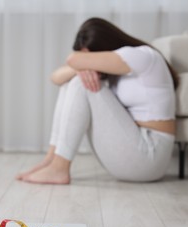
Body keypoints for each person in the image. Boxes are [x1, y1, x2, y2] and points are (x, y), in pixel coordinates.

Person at [16, 17, 178, 184]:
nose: (89, 62)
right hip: (132, 150)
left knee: (80, 83)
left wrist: (80, 66)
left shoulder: (142, 56)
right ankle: (51, 160)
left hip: (151, 154)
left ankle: (59, 168)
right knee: (70, 83)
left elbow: (72, 60)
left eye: (89, 56)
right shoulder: (116, 72)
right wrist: (79, 70)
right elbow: (55, 78)